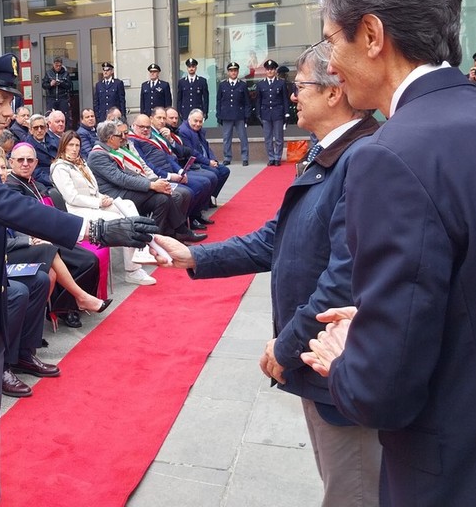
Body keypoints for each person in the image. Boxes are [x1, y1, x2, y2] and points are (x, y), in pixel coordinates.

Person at [295, 0, 476, 506]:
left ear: (371, 34)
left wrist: (346, 357)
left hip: (462, 472)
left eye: (332, 41)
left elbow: (382, 389)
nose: (331, 64)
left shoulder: (388, 156)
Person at [0, 54, 156, 507]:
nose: (9, 112)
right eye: (0, 101)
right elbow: (4, 204)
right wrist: (94, 230)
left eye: (10, 102)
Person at [157, 43, 383, 506]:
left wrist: (287, 346)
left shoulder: (362, 158)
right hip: (317, 362)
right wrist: (194, 257)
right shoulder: (330, 153)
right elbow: (275, 239)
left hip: (335, 362)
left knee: (355, 492)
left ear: (334, 92)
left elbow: (343, 280)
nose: (292, 96)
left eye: (300, 87)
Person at [4, 142, 108, 326]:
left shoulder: (35, 183)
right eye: (20, 160)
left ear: (36, 163)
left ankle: (71, 304)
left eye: (30, 160)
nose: (25, 164)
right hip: (37, 238)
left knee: (89, 259)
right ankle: (65, 309)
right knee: (85, 261)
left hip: (53, 232)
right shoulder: (11, 187)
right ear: (11, 162)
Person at [49, 131, 149, 290]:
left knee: (128, 204)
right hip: (78, 211)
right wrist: (99, 202)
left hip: (94, 203)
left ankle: (141, 249)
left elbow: (93, 190)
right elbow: (72, 198)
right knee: (122, 222)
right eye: (71, 145)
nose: (74, 149)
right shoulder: (60, 167)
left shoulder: (81, 163)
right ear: (63, 146)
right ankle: (132, 270)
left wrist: (104, 198)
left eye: (77, 145)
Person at [86, 119, 199, 247]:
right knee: (163, 193)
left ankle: (155, 239)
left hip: (124, 189)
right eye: (119, 135)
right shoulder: (98, 155)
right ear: (111, 138)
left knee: (162, 199)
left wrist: (152, 182)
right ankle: (180, 230)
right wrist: (152, 185)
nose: (122, 138)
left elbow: (129, 174)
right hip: (115, 195)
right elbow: (120, 178)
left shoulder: (108, 150)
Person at [216, 61, 250, 165]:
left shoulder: (242, 85)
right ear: (228, 72)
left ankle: (245, 157)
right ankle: (227, 157)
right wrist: (219, 114)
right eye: (231, 71)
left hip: (239, 115)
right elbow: (219, 101)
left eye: (235, 70)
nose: (233, 72)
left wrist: (247, 115)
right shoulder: (222, 85)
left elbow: (247, 102)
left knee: (243, 137)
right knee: (226, 138)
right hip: (226, 115)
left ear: (238, 72)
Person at [255, 59, 288, 166]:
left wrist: (286, 113)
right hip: (265, 113)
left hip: (278, 113)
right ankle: (271, 157)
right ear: (265, 70)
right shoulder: (261, 84)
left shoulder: (281, 83)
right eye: (268, 69)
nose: (270, 71)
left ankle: (277, 157)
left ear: (275, 70)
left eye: (272, 69)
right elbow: (258, 100)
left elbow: (285, 99)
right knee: (268, 138)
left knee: (278, 138)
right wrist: (258, 113)